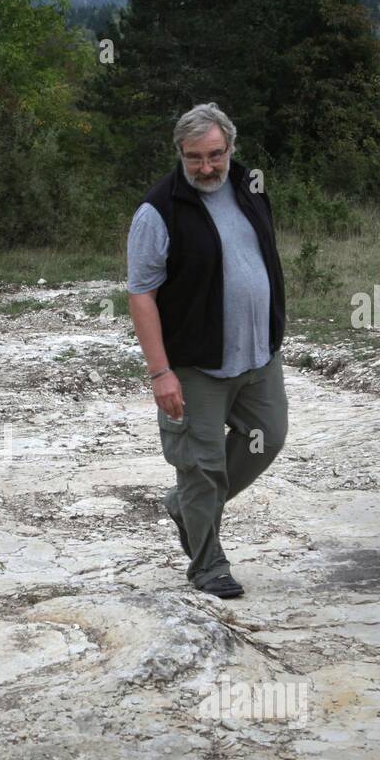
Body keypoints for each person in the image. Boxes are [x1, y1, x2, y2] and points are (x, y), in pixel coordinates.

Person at [126, 102, 289, 598]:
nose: (207, 167)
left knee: (269, 435)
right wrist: (161, 374)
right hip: (195, 363)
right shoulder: (159, 210)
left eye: (215, 154)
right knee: (200, 463)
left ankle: (186, 506)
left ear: (230, 148)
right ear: (180, 153)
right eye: (194, 157)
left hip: (258, 355)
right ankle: (207, 564)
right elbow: (141, 294)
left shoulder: (248, 187)